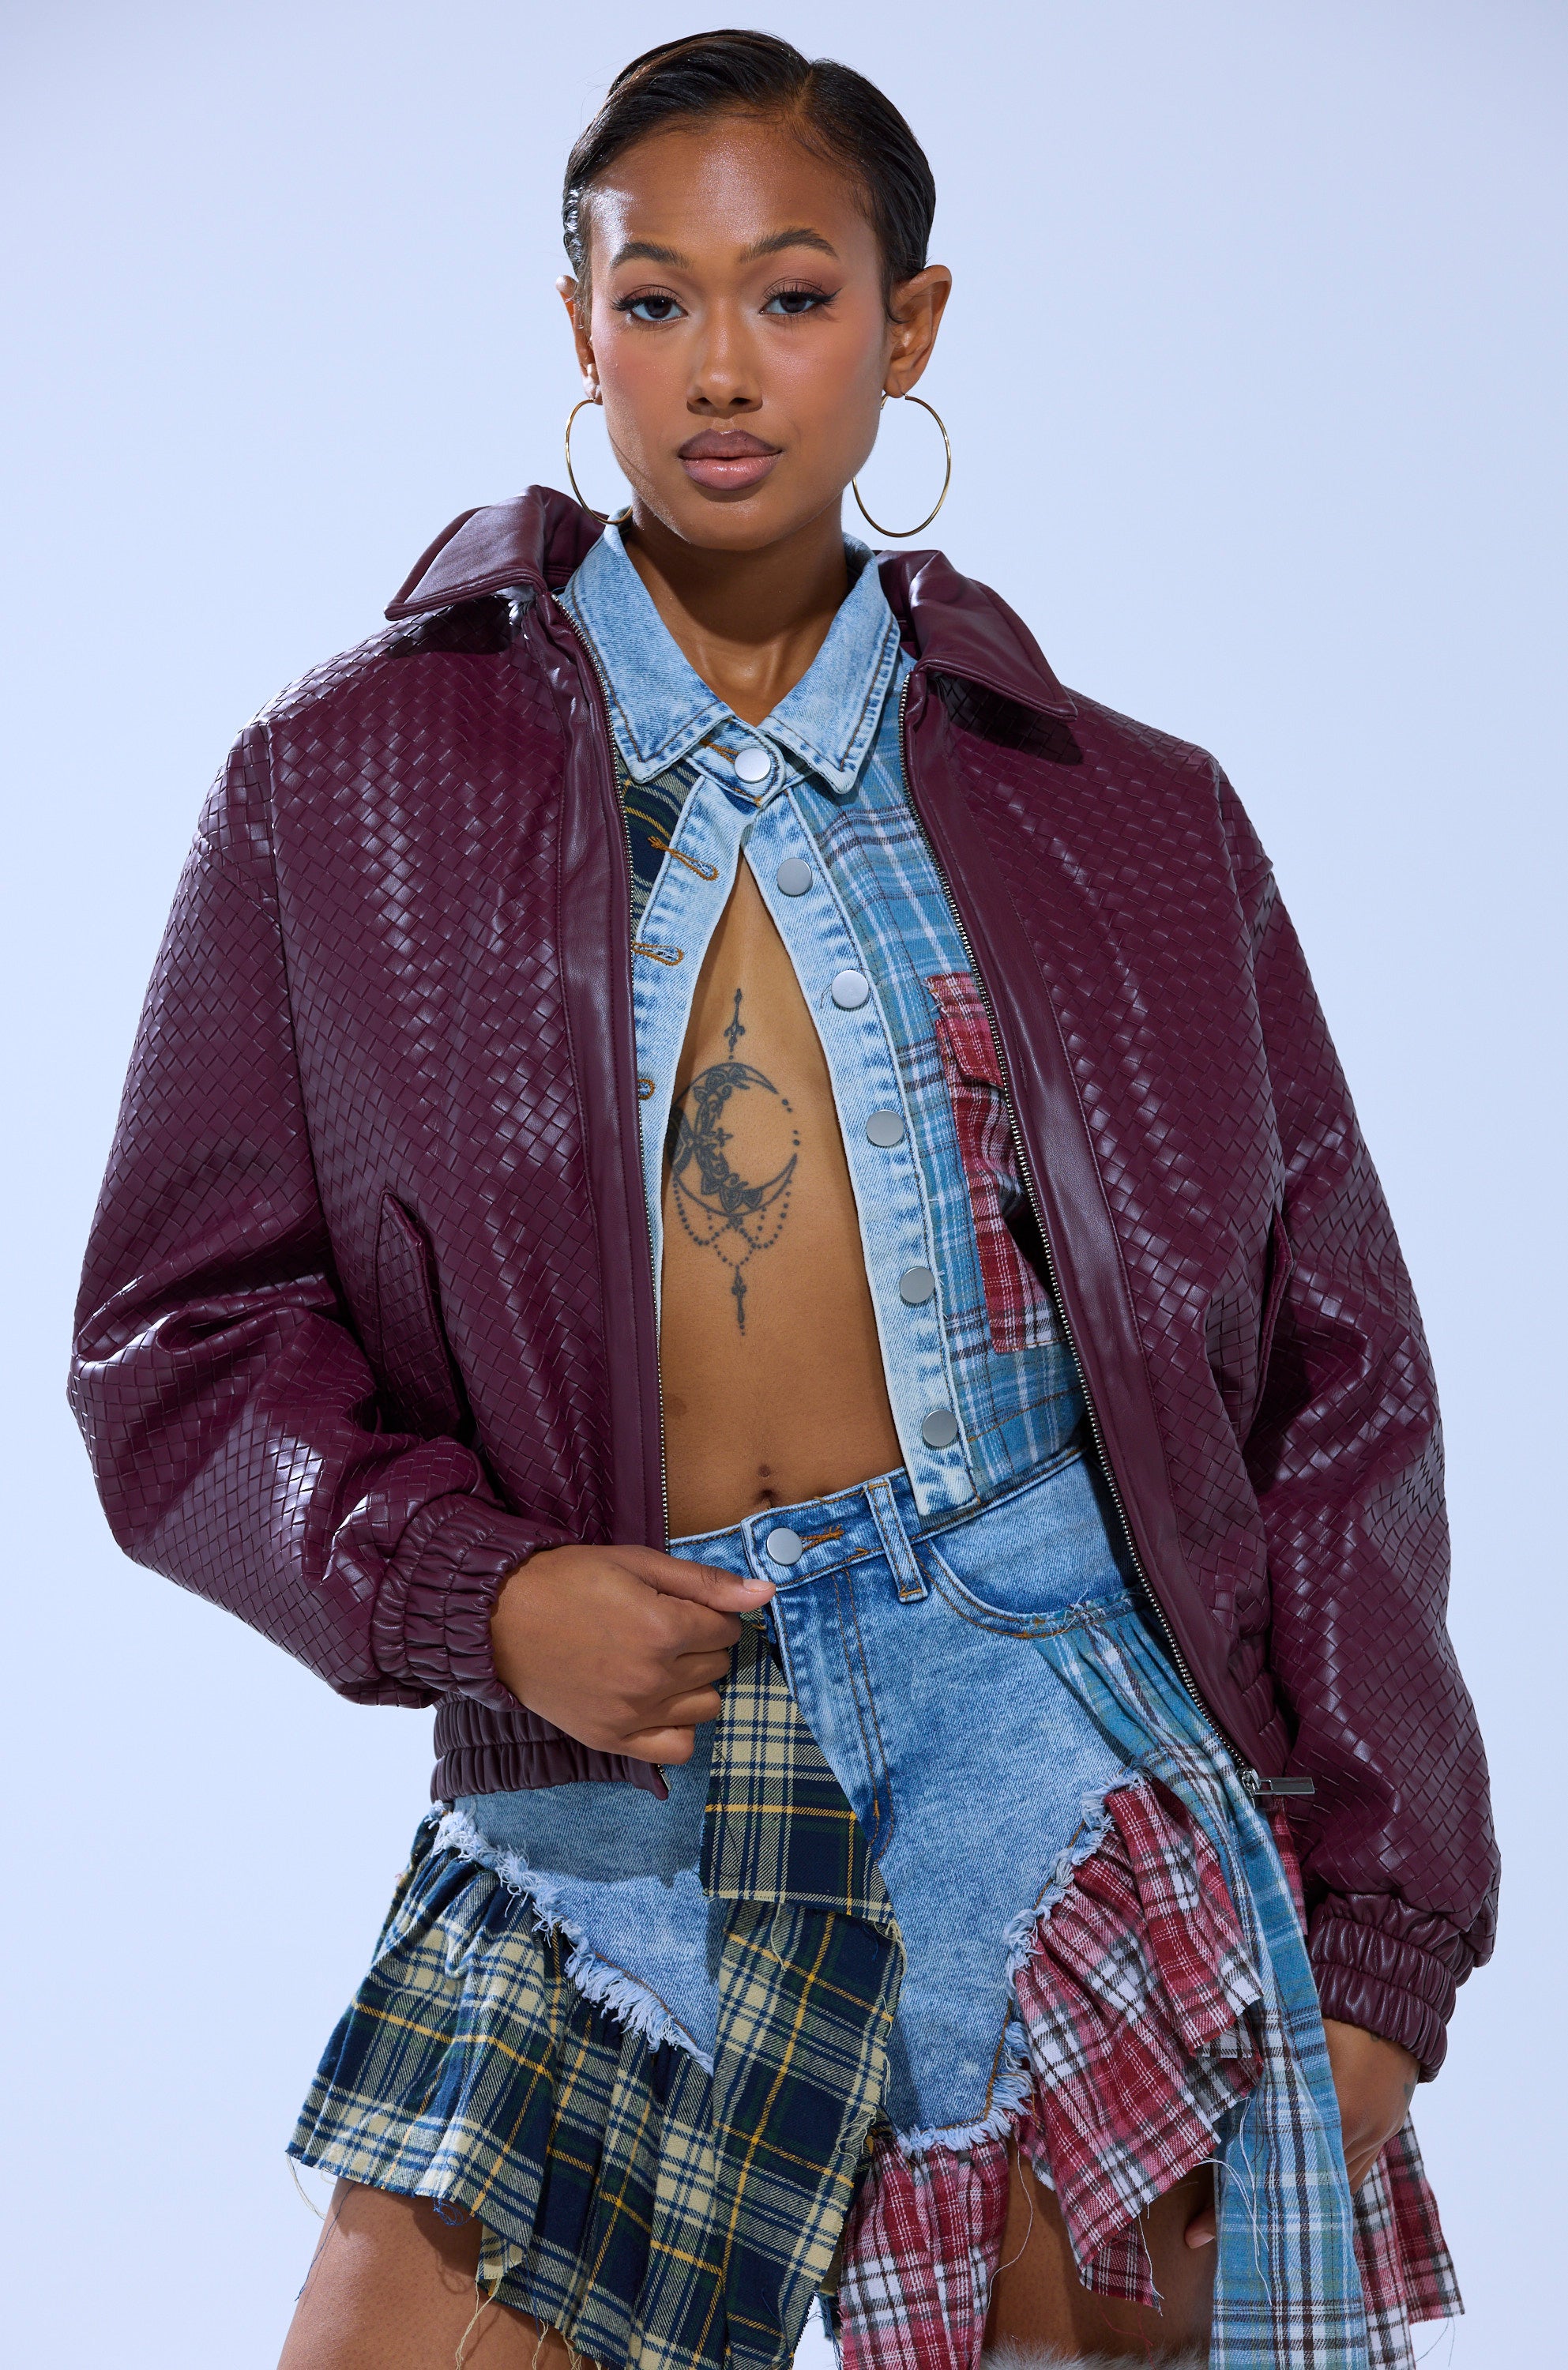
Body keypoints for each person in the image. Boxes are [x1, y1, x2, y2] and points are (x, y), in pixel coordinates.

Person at [70, 30, 1495, 2370]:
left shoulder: (1129, 815)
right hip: (609, 1757)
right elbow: (182, 1338)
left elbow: (1339, 1385)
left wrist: (1379, 1941)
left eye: (795, 296)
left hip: (1057, 1741)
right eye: (656, 301)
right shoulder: (344, 785)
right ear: (579, 325)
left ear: (908, 326)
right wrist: (478, 1593)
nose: (720, 369)